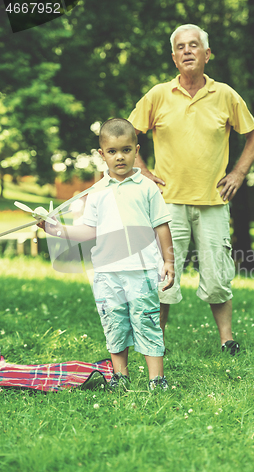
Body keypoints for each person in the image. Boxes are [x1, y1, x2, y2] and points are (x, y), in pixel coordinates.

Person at [128, 24, 254, 356]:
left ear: (207, 54)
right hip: (166, 204)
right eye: (181, 47)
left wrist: (239, 172)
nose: (188, 50)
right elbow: (127, 136)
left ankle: (226, 339)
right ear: (175, 58)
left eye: (194, 45)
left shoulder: (226, 95)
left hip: (214, 201)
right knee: (163, 278)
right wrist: (143, 171)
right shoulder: (158, 95)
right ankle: (155, 340)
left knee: (217, 275)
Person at [39, 118, 175, 391]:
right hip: (106, 272)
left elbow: (161, 225)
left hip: (142, 270)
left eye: (126, 150)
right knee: (114, 323)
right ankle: (119, 377)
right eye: (112, 151)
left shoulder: (147, 187)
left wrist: (168, 261)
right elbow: (88, 230)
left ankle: (156, 380)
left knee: (147, 321)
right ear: (102, 155)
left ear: (137, 150)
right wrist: (57, 230)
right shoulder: (96, 191)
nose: (120, 157)